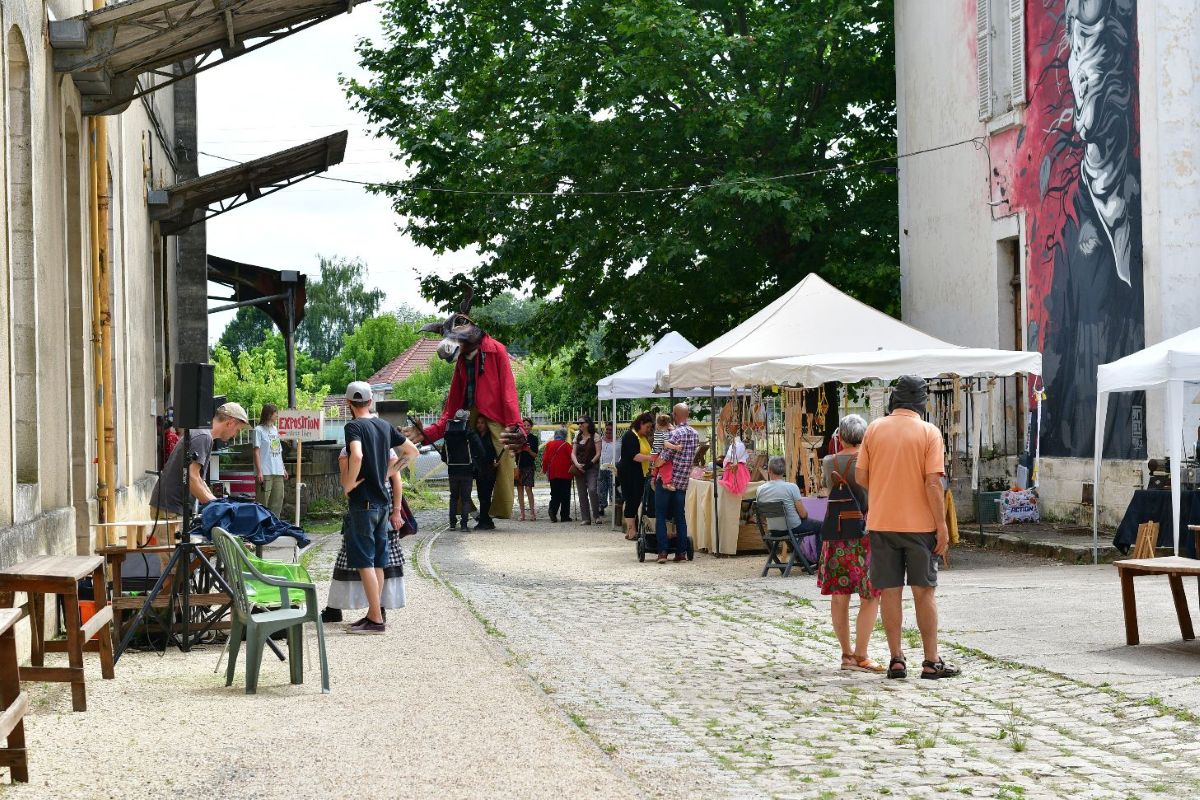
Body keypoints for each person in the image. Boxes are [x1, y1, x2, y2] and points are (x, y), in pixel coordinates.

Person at [855, 375, 960, 680]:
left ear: (894, 399)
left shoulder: (874, 429)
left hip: (882, 522)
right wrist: (941, 525)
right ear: (921, 402)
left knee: (889, 592)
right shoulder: (929, 432)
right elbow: (932, 482)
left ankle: (896, 659)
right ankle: (931, 661)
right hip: (920, 526)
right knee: (924, 592)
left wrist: (885, 488)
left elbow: (861, 476)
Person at [325, 429, 419, 622]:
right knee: (371, 560)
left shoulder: (354, 452)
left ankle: (376, 609)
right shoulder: (360, 451)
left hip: (371, 507)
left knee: (373, 560)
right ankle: (366, 609)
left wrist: (396, 510)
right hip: (378, 507)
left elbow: (395, 482)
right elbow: (395, 480)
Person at [341, 381, 407, 635]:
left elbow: (355, 456)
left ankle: (376, 620)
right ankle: (373, 613)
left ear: (349, 404)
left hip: (363, 504)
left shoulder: (354, 426)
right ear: (370, 402)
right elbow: (410, 452)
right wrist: (387, 472)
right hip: (382, 503)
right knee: (378, 561)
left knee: (365, 562)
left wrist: (349, 483)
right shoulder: (384, 425)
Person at [819, 415, 883, 673]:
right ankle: (862, 654)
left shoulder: (829, 461)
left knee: (839, 595)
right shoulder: (872, 459)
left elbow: (827, 488)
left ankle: (846, 655)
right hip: (867, 531)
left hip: (837, 533)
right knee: (870, 595)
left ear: (841, 437)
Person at [150, 402, 250, 518]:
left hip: (170, 506)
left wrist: (216, 503)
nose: (235, 435)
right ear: (230, 423)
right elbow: (191, 478)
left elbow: (198, 479)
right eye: (237, 430)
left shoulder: (204, 435)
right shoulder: (203, 436)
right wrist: (217, 507)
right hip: (170, 508)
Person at [653, 403, 698, 563]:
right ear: (688, 414)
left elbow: (663, 458)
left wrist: (655, 464)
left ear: (674, 414)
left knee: (661, 515)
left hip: (667, 481)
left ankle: (663, 552)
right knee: (680, 516)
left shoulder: (675, 434)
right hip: (682, 482)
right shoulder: (694, 433)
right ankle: (681, 553)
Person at [755, 456, 821, 537]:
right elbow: (803, 514)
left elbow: (762, 515)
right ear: (784, 470)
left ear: (769, 470)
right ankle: (819, 550)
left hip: (774, 530)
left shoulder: (760, 489)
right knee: (822, 526)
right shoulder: (791, 487)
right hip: (793, 528)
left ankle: (795, 550)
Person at [618, 413, 655, 540]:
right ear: (641, 424)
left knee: (635, 500)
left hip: (639, 473)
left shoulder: (642, 437)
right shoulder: (630, 436)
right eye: (648, 427)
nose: (649, 430)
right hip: (629, 473)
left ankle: (631, 530)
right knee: (632, 501)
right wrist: (651, 458)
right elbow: (634, 456)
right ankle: (631, 530)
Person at [253, 403, 289, 517]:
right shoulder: (258, 430)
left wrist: (283, 468)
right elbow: (256, 451)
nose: (277, 415)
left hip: (277, 470)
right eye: (275, 413)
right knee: (263, 501)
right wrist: (259, 471)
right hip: (265, 471)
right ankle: (261, 526)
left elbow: (279, 451)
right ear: (269, 414)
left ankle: (274, 525)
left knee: (277, 500)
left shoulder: (275, 429)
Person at [444, 410, 474, 531]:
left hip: (453, 470)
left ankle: (452, 524)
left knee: (453, 497)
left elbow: (443, 454)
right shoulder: (468, 434)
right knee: (466, 498)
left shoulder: (448, 434)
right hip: (467, 470)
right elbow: (477, 450)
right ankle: (464, 525)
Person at [471, 415, 500, 530]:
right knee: (481, 495)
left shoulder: (491, 437)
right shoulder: (475, 436)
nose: (479, 425)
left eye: (482, 423)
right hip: (479, 470)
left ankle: (484, 520)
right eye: (478, 422)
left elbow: (496, 451)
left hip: (489, 469)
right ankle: (486, 519)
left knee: (486, 496)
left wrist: (495, 462)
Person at [571, 416, 602, 525]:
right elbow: (573, 453)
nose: (579, 425)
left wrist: (590, 464)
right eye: (578, 423)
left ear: (588, 423)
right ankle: (586, 518)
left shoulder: (596, 436)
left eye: (581, 423)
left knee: (592, 490)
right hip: (579, 467)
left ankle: (596, 515)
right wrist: (577, 464)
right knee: (582, 492)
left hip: (592, 467)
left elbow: (598, 453)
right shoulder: (577, 436)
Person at [542, 428, 574, 522]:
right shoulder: (567, 445)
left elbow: (545, 459)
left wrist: (544, 470)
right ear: (565, 436)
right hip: (565, 473)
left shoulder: (549, 444)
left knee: (555, 494)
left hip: (553, 473)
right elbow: (572, 458)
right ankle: (564, 516)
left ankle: (552, 510)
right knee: (565, 495)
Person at [516, 417, 539, 521]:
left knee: (528, 488)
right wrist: (519, 449)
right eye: (524, 425)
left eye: (528, 425)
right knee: (519, 489)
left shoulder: (534, 439)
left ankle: (532, 512)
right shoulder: (517, 437)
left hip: (529, 466)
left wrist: (528, 450)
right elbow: (512, 453)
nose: (526, 427)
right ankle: (522, 513)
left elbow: (535, 455)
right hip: (518, 466)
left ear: (531, 427)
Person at [597, 422, 616, 518]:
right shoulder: (600, 440)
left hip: (612, 468)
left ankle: (615, 507)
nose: (608, 431)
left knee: (612, 488)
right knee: (601, 488)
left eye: (610, 430)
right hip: (601, 467)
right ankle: (601, 506)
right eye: (607, 429)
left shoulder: (617, 442)